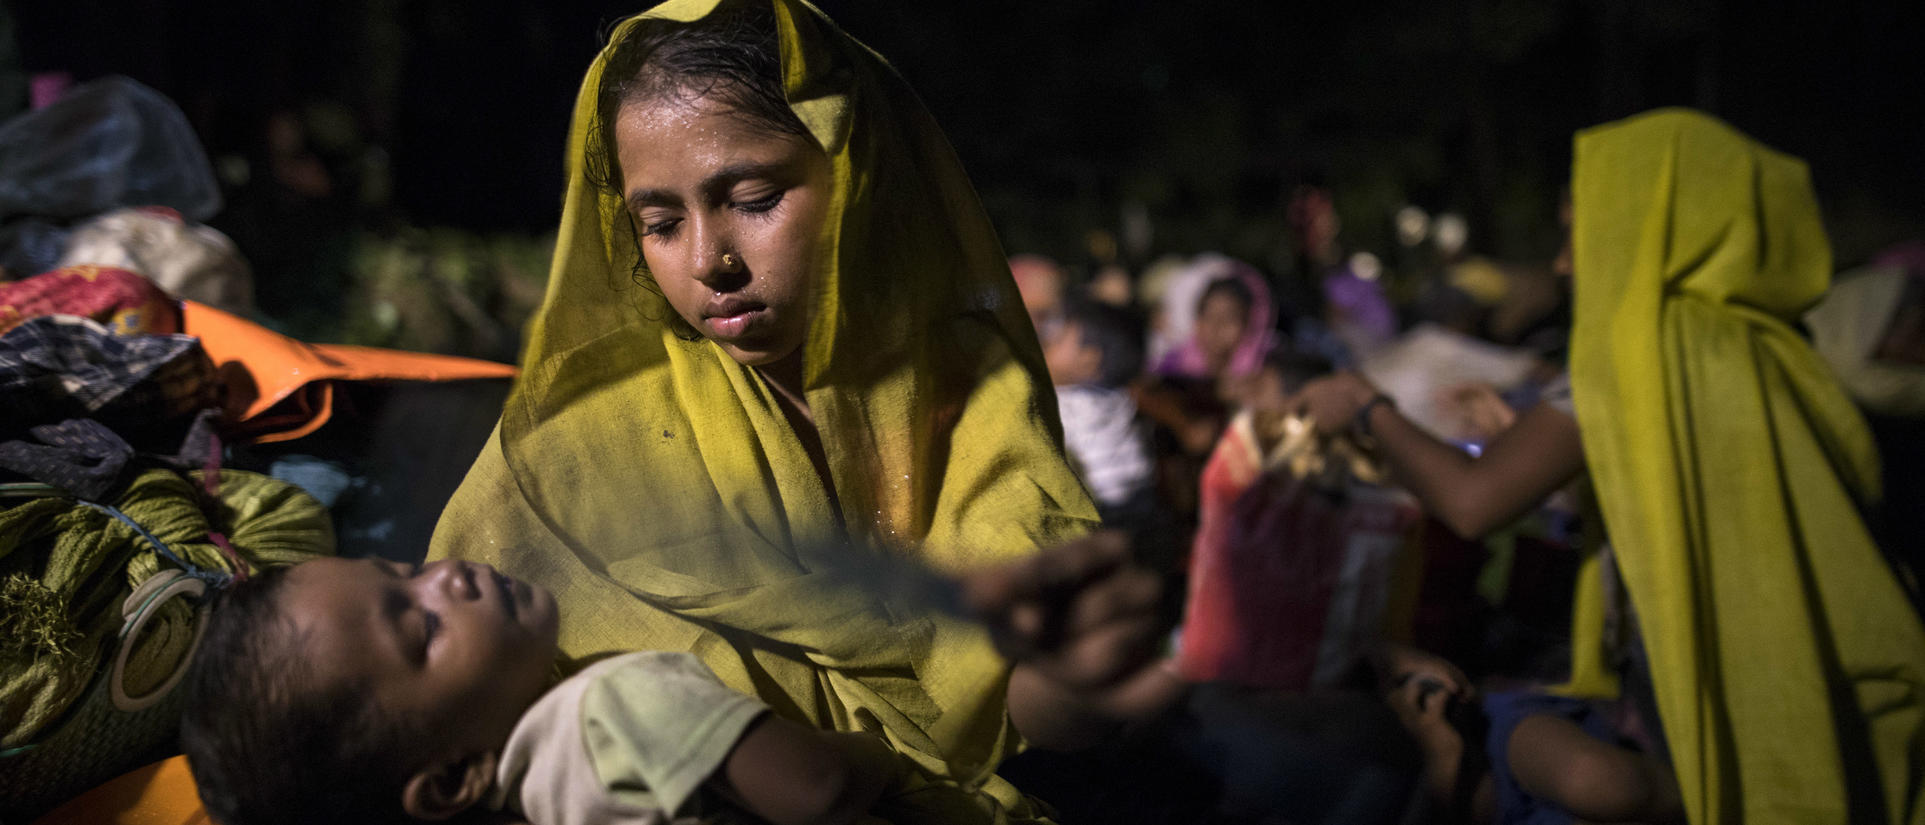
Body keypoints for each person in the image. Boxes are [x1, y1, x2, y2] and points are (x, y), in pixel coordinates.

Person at [424, 3, 1169, 823]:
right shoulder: (574, 437)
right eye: (660, 224)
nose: (710, 261)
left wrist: (1075, 672)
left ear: (859, 174)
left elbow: (1027, 701)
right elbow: (432, 718)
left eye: (752, 197)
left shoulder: (966, 385)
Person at [1291, 109, 1925, 823]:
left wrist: (1366, 406)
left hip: (1686, 711)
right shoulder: (1770, 350)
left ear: (1645, 223)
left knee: (1525, 737)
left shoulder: (1634, 353)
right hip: (1821, 705)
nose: (1562, 263)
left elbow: (1470, 502)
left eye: (1574, 233)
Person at [178, 549, 1164, 825]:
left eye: (400, 571)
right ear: (445, 783)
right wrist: (876, 754)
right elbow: (813, 791)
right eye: (421, 629)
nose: (449, 576)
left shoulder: (538, 800)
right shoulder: (609, 702)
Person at [1042, 299, 1153, 525]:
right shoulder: (1117, 398)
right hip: (1140, 504)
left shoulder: (1060, 404)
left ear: (1088, 361)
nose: (1046, 342)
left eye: (1059, 338)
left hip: (1096, 516)